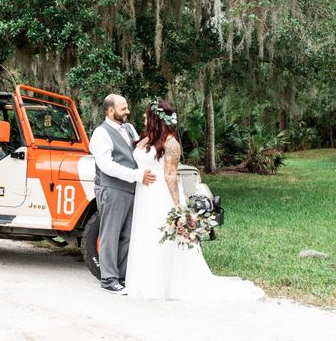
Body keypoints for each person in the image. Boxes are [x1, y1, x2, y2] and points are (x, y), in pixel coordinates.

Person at [125, 100, 265, 302]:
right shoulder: (146, 139)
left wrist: (178, 207)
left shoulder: (171, 143)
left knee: (161, 237)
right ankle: (145, 281)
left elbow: (171, 175)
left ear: (156, 118)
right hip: (145, 193)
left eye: (147, 115)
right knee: (147, 234)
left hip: (161, 196)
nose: (144, 118)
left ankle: (163, 285)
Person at [89, 94, 156, 295]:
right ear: (110, 111)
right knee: (111, 233)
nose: (127, 111)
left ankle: (121, 275)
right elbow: (106, 165)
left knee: (128, 235)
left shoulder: (128, 128)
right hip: (112, 189)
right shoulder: (101, 133)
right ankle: (108, 279)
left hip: (131, 189)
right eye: (123, 108)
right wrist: (136, 175)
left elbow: (136, 150)